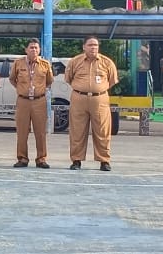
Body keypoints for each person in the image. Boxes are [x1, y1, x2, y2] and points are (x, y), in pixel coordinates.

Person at [65, 37, 119, 170]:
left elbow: (112, 81)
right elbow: (69, 79)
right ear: (84, 47)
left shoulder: (107, 62)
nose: (93, 47)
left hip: (99, 99)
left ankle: (104, 161)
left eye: (95, 45)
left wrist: (97, 90)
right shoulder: (75, 61)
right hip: (79, 98)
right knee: (77, 131)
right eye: (90, 45)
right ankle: (76, 160)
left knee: (102, 130)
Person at [12, 39, 53, 168]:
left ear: (39, 50)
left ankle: (41, 159)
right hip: (23, 100)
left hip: (39, 101)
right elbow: (12, 79)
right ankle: (22, 158)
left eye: (36, 48)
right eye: (31, 47)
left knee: (40, 131)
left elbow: (49, 81)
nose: (34, 50)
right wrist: (22, 89)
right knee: (22, 131)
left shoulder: (45, 64)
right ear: (26, 50)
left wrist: (38, 91)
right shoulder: (18, 63)